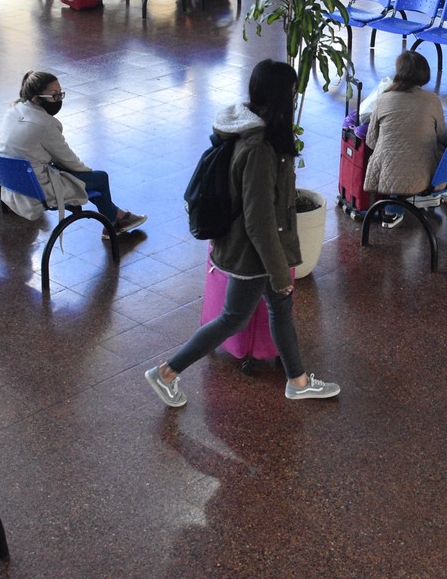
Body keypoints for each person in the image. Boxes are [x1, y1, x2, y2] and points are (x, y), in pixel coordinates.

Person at [144, 60, 339, 407]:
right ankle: (167, 372)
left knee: (280, 309)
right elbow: (259, 220)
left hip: (255, 249)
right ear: (281, 97)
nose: (295, 98)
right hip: (253, 254)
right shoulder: (259, 149)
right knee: (234, 318)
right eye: (292, 92)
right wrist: (280, 272)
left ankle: (298, 380)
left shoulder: (253, 131)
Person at [0, 70, 146, 235]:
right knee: (99, 179)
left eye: (61, 94)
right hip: (36, 190)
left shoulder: (15, 108)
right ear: (37, 99)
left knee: (78, 179)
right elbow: (69, 161)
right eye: (55, 95)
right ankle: (112, 224)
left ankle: (117, 216)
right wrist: (89, 175)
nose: (59, 99)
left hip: (12, 182)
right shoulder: (45, 124)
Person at [364, 51, 447, 225]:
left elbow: (371, 141)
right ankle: (426, 196)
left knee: (392, 155)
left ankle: (393, 209)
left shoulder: (383, 99)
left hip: (387, 175)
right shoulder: (432, 100)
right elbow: (441, 136)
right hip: (426, 176)